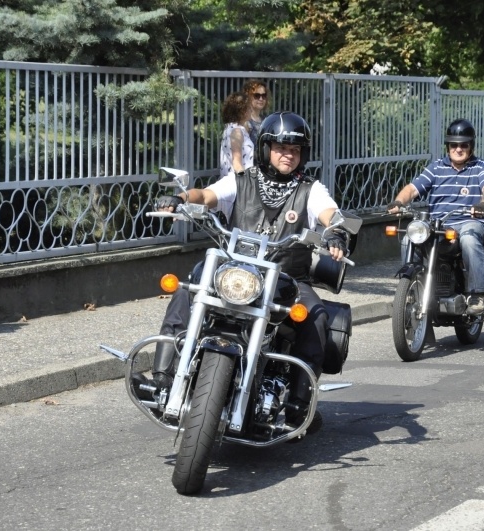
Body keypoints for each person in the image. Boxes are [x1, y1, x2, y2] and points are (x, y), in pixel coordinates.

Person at [142, 112, 347, 433]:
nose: (287, 154)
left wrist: (336, 229)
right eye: (280, 147)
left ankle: (299, 401)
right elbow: (206, 196)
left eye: (294, 149)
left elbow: (329, 212)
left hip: (286, 278)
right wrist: (181, 197)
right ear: (266, 148)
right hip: (234, 270)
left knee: (316, 315)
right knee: (187, 287)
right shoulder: (242, 180)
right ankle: (163, 378)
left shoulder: (311, 189)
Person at [387, 118, 484, 315]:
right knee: (408, 239)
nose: (458, 149)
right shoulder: (436, 167)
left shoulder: (481, 167)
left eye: (464, 145)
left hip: (468, 221)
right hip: (439, 223)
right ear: (448, 146)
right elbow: (412, 189)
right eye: (454, 145)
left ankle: (478, 293)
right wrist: (398, 202)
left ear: (471, 146)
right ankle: (411, 288)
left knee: (470, 239)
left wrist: (483, 203)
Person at [219, 91, 254, 178]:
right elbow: (236, 162)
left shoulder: (230, 128)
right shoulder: (237, 131)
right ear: (242, 111)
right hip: (237, 182)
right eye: (249, 108)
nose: (251, 110)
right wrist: (245, 183)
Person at [242, 79, 270, 145]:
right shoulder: (244, 121)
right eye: (257, 95)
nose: (261, 99)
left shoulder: (266, 120)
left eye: (264, 95)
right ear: (248, 97)